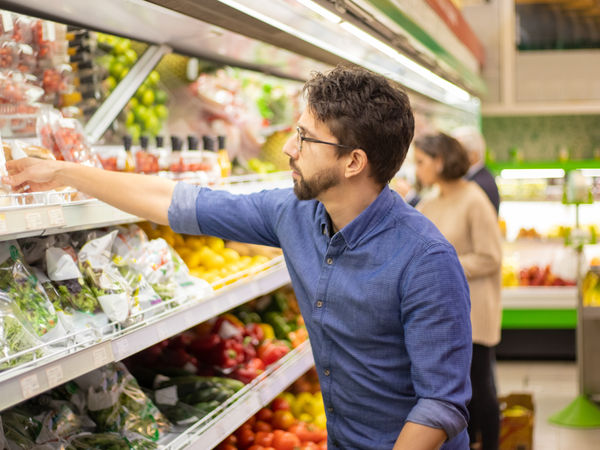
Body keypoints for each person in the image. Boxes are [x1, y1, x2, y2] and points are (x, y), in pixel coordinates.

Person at [5, 66, 472, 450]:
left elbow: (441, 405)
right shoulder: (296, 214)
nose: (289, 148)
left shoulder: (426, 259)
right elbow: (175, 200)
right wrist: (65, 172)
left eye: (306, 139)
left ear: (353, 163)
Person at [413, 133, 502, 450]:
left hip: (475, 311)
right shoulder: (432, 201)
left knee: (480, 387)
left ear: (439, 161)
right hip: (446, 311)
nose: (416, 169)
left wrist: (442, 266)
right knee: (460, 391)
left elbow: (491, 257)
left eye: (421, 162)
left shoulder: (474, 199)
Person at [451, 126, 500, 215]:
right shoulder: (476, 178)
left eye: (457, 152)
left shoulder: (481, 184)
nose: (453, 158)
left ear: (473, 155)